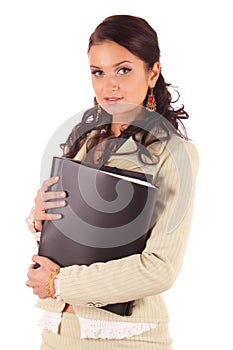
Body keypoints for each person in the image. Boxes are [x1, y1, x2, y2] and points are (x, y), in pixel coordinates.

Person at [26, 14, 198, 350]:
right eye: (98, 72)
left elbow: (160, 268)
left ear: (153, 73)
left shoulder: (175, 153)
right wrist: (39, 218)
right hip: (58, 332)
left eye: (123, 69)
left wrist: (59, 283)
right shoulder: (85, 142)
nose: (109, 85)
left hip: (126, 338)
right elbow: (77, 238)